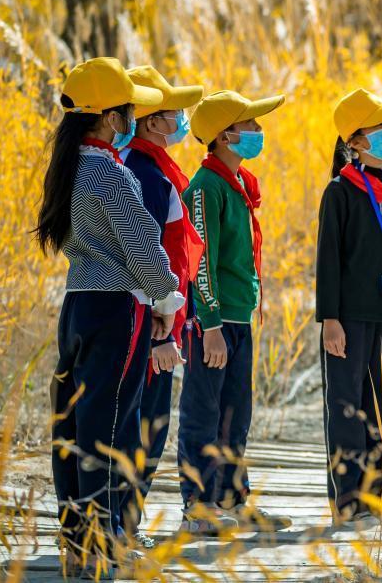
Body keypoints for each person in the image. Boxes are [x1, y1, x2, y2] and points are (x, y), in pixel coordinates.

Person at [34, 58, 182, 579]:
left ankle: (76, 537)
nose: (129, 115)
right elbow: (142, 247)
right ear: (110, 116)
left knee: (71, 422)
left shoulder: (69, 167)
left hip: (76, 303)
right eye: (126, 108)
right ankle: (104, 540)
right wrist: (166, 301)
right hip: (118, 305)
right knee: (111, 423)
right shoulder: (111, 174)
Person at [177, 89, 290, 534]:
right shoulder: (204, 188)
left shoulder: (236, 183)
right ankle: (197, 506)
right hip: (214, 322)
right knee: (203, 410)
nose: (259, 132)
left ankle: (231, 497)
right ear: (225, 135)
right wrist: (210, 324)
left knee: (235, 413)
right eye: (252, 125)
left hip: (238, 318)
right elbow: (199, 261)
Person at [316, 89, 382, 525]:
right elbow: (327, 261)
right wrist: (330, 320)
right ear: (355, 141)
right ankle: (348, 502)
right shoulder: (340, 191)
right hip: (348, 319)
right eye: (380, 127)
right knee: (347, 407)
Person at [117, 66, 205, 549]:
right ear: (152, 122)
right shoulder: (146, 176)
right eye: (176, 113)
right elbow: (149, 256)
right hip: (152, 324)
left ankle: (121, 524)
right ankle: (123, 527)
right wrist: (163, 332)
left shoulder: (141, 165)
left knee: (138, 422)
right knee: (146, 426)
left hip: (153, 318)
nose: (182, 121)